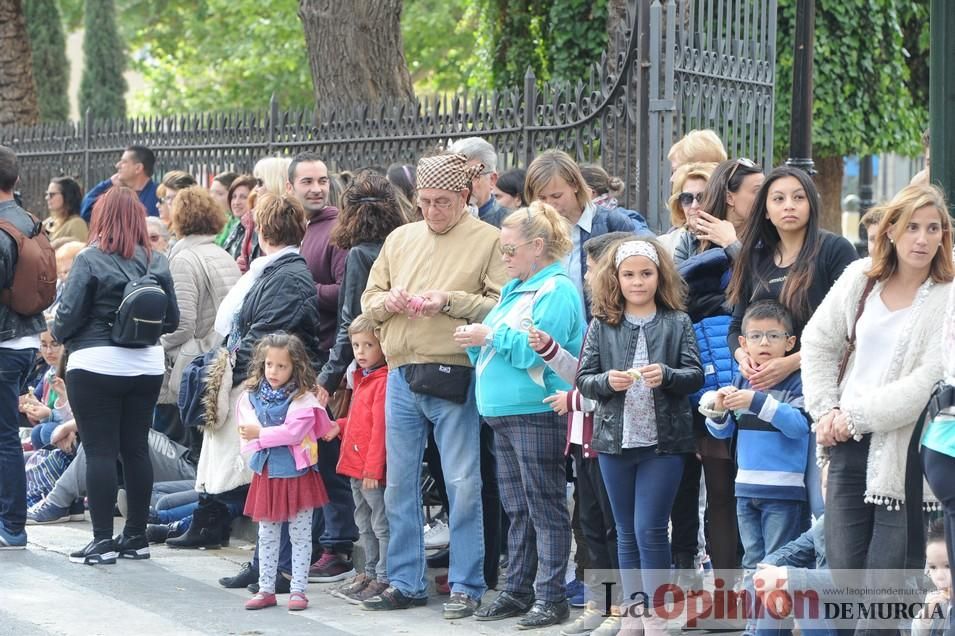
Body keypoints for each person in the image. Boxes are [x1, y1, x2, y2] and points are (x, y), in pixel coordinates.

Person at [801, 183, 953, 634]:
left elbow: (928, 380)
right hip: (846, 448)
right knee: (846, 580)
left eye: (933, 229)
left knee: (886, 594)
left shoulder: (947, 296)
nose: (922, 239)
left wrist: (852, 418)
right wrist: (825, 410)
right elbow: (817, 343)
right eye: (911, 228)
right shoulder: (859, 277)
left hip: (906, 459)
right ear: (889, 231)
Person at [360, 153, 506, 618]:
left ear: (465, 197)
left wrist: (448, 301)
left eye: (442, 201)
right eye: (423, 201)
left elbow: (502, 305)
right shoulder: (401, 237)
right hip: (402, 371)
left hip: (454, 371)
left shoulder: (489, 240)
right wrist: (390, 301)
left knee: (464, 483)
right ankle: (406, 580)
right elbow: (368, 301)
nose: (431, 210)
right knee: (398, 484)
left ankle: (466, 583)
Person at [456, 201, 584, 628]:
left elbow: (535, 347)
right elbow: (494, 344)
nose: (504, 257)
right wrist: (478, 339)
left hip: (536, 410)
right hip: (505, 412)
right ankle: (518, 590)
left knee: (544, 507)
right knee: (518, 508)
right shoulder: (517, 289)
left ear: (538, 246)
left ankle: (551, 597)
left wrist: (488, 334)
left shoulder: (557, 289)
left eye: (510, 249)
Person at [576, 237, 703, 634]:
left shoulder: (677, 321)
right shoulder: (603, 323)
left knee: (650, 528)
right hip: (615, 442)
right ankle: (633, 613)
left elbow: (693, 375)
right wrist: (606, 382)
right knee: (625, 530)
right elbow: (583, 379)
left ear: (659, 276)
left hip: (663, 445)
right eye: (628, 274)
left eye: (645, 274)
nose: (637, 282)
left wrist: (666, 376)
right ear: (615, 278)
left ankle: (658, 614)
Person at [53, 186, 180, 565]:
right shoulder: (157, 261)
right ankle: (136, 537)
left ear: (101, 218)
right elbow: (171, 320)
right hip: (146, 365)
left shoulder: (90, 258)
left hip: (95, 364)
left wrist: (68, 331)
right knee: (136, 448)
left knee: (100, 451)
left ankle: (102, 541)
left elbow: (65, 320)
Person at [209, 192, 321, 580]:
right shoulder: (278, 271)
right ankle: (267, 567)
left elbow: (266, 338)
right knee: (270, 479)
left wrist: (240, 376)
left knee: (282, 481)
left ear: (261, 231)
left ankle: (276, 570)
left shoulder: (287, 275)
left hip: (279, 390)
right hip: (273, 385)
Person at [706, 300, 810, 635]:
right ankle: (755, 627)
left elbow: (799, 426)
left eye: (773, 336)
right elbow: (725, 432)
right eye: (756, 336)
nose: (764, 343)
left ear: (790, 342)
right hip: (745, 488)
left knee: (775, 566)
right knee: (751, 562)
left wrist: (757, 400)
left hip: (784, 491)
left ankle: (770, 630)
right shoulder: (743, 377)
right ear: (743, 344)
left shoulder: (797, 380)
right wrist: (718, 412)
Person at [286, 151, 357, 583]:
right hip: (299, 360)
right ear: (291, 186)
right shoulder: (300, 230)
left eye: (322, 180)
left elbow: (346, 293)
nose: (316, 187)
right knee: (306, 458)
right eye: (307, 181)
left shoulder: (336, 230)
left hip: (329, 359)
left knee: (330, 459)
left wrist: (301, 288)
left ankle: (339, 546)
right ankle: (315, 540)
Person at [728, 166, 858, 391]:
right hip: (764, 386)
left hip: (822, 382)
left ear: (811, 205)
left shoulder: (835, 250)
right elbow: (737, 327)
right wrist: (744, 358)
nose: (789, 205)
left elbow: (851, 327)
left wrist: (789, 363)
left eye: (799, 197)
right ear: (766, 210)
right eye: (778, 199)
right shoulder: (753, 257)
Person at [238, 332, 330, 612]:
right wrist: (259, 435)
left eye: (281, 366)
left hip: (297, 476)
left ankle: (298, 590)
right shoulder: (251, 396)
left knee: (300, 535)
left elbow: (293, 433)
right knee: (266, 533)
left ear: (295, 367)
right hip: (267, 473)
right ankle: (266, 588)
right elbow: (245, 429)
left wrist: (261, 434)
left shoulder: (303, 399)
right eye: (269, 365)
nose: (273, 371)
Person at [0, 145, 57, 549]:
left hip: (2, 342)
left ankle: (11, 525)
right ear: (17, 180)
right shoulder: (32, 222)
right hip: (26, 339)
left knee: (3, 437)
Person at [156, 186, 241, 444]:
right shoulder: (223, 254)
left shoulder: (183, 259)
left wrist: (157, 344)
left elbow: (181, 324)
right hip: (219, 360)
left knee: (179, 447)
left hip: (191, 368)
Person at [317, 174, 405, 401]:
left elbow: (351, 318)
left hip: (374, 363)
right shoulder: (402, 245)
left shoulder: (359, 254)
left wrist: (328, 378)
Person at [324, 314, 391, 604]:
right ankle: (370, 571)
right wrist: (340, 425)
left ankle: (384, 576)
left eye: (368, 345)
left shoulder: (383, 381)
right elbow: (359, 421)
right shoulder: (362, 378)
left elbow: (380, 430)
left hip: (370, 471)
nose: (361, 352)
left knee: (380, 524)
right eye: (356, 346)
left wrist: (374, 469)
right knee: (363, 522)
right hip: (355, 466)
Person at [524, 149, 647, 304]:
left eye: (556, 196)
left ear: (575, 185)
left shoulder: (612, 223)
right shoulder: (533, 229)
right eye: (542, 198)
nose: (549, 204)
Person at [671, 158, 764, 265]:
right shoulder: (690, 241)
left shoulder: (768, 236)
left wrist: (732, 245)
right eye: (758, 191)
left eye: (702, 197)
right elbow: (678, 280)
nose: (694, 205)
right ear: (729, 198)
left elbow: (762, 279)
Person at [80, 145, 159, 222]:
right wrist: (108, 183)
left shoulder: (158, 195)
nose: (117, 165)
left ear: (138, 168)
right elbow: (86, 212)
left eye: (124, 162)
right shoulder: (118, 196)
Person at [449, 137, 509, 227]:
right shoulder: (440, 220)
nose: (462, 185)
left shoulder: (510, 224)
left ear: (492, 180)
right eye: (456, 176)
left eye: (472, 176)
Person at [911, 519, 951, 636]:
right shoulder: (933, 598)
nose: (939, 576)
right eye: (933, 567)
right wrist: (926, 616)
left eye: (947, 566)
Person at [42, 177, 87, 243]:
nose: (47, 198)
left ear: (67, 196)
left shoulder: (77, 224)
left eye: (52, 194)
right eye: (47, 194)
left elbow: (80, 250)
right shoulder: (48, 222)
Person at [220, 174, 256, 255]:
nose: (236, 202)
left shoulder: (256, 231)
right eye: (234, 196)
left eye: (243, 197)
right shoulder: (236, 227)